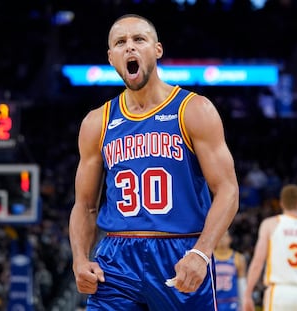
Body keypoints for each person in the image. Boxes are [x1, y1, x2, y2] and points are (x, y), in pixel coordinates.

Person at [68, 14, 239, 311]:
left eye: (139, 40)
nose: (130, 48)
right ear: (111, 58)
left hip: (180, 252)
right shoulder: (97, 122)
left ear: (157, 49)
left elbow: (228, 190)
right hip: (116, 259)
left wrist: (201, 252)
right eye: (120, 43)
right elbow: (85, 205)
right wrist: (80, 258)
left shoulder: (193, 110)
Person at [243, 184, 297, 311]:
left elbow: (258, 262)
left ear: (281, 203)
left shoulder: (270, 224)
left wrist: (247, 294)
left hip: (279, 292)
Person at [214, 230, 247, 311]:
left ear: (230, 239)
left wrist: (244, 303)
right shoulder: (208, 258)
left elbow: (242, 283)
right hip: (214, 302)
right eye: (219, 236)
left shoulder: (238, 258)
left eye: (224, 236)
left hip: (232, 302)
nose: (221, 239)